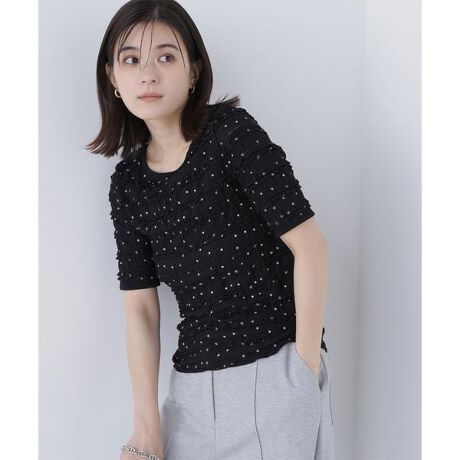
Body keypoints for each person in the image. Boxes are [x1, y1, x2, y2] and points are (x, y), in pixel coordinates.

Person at [87, 1, 335, 459]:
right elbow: (140, 307)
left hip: (274, 374)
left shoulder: (230, 135)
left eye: (166, 56)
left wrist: (304, 367)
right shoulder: (128, 184)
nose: (148, 74)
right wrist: (146, 425)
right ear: (112, 78)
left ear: (194, 71)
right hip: (190, 395)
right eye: (131, 59)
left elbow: (310, 246)